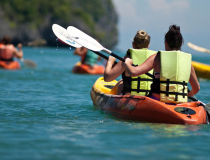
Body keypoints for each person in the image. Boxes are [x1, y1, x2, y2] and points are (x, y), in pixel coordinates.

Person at [124, 25, 200, 104]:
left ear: (165, 43)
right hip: (179, 104)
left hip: (157, 101)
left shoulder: (157, 58)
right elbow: (196, 88)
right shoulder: (188, 64)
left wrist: (127, 62)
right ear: (181, 44)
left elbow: (133, 72)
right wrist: (187, 95)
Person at [104, 30, 156, 95]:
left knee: (121, 83)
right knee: (121, 82)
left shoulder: (127, 58)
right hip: (149, 98)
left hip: (129, 100)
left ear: (133, 44)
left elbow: (107, 78)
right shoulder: (154, 59)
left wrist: (110, 62)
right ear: (148, 45)